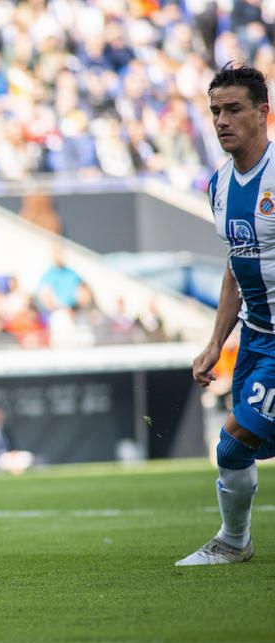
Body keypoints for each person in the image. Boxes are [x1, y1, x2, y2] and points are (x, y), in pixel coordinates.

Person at [177, 65, 275, 566]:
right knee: (237, 450)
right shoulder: (218, 184)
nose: (221, 121)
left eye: (234, 109)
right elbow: (236, 267)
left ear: (263, 113)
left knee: (234, 438)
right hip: (257, 339)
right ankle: (236, 542)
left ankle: (233, 542)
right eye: (215, 111)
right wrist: (216, 343)